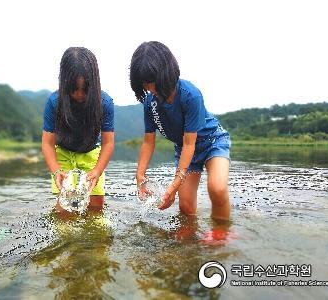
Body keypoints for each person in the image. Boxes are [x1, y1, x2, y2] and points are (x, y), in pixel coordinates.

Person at [130, 41, 231, 221]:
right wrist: (140, 174)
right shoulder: (150, 103)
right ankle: (189, 241)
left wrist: (175, 183)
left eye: (153, 82)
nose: (151, 89)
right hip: (185, 150)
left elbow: (189, 142)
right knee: (185, 206)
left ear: (167, 73)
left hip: (213, 142)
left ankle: (221, 233)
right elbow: (148, 141)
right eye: (146, 84)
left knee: (217, 188)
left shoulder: (190, 95)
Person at [42, 47, 115, 211]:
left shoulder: (104, 103)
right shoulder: (54, 102)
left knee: (96, 206)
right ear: (65, 83)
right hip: (62, 153)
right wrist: (56, 171)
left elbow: (108, 143)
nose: (80, 95)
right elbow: (47, 144)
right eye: (74, 89)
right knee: (64, 208)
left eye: (85, 89)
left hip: (91, 154)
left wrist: (98, 170)